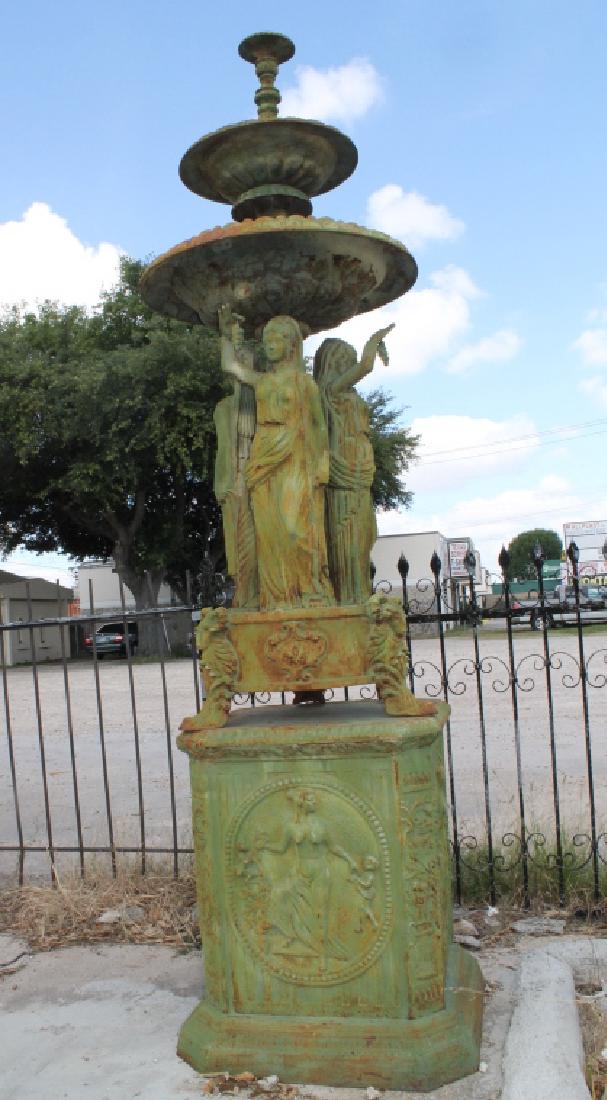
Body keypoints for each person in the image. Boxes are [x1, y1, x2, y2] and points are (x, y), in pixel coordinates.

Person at [219, 306, 334, 610]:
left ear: (291, 345)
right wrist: (226, 332)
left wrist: (323, 462)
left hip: (295, 454)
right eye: (266, 339)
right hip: (265, 452)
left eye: (276, 339)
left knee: (296, 528)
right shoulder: (262, 381)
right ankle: (277, 597)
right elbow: (230, 365)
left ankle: (308, 591)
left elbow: (319, 425)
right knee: (269, 531)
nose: (269, 344)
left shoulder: (303, 383)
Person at [313, 325, 394, 604]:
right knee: (348, 542)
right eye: (345, 361)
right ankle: (350, 599)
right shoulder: (330, 391)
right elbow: (365, 367)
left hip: (360, 475)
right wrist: (372, 344)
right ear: (334, 362)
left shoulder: (346, 394)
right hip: (343, 477)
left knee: (363, 540)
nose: (350, 367)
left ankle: (358, 594)